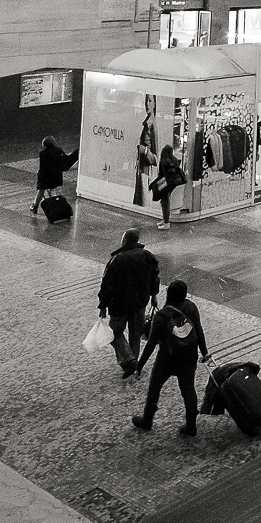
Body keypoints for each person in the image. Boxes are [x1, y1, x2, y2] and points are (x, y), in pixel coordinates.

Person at [133, 279, 211, 437]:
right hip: (189, 355)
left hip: (166, 359)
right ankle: (191, 426)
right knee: (188, 390)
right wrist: (204, 352)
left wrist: (139, 366)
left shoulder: (162, 316)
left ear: (169, 294)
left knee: (154, 388)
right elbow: (199, 331)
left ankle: (147, 420)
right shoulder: (191, 307)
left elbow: (151, 344)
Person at [98, 228, 161, 378]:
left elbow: (107, 285)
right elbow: (155, 277)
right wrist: (154, 295)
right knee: (136, 333)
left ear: (125, 240)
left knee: (114, 332)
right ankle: (135, 361)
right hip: (140, 302)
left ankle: (128, 359)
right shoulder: (147, 256)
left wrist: (103, 306)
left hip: (120, 304)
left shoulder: (117, 259)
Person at [33, 136, 79, 214]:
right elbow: (65, 160)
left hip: (45, 176)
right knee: (53, 191)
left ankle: (35, 207)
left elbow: (43, 167)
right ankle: (57, 208)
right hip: (56, 176)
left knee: (41, 191)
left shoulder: (43, 153)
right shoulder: (59, 150)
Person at [152, 143, 184, 229]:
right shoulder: (174, 160)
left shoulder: (163, 162)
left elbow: (161, 175)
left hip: (167, 183)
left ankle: (166, 222)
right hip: (173, 183)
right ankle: (165, 220)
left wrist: (153, 184)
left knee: (164, 201)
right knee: (165, 200)